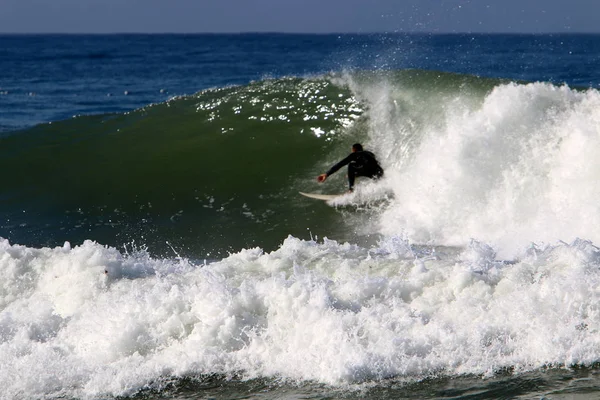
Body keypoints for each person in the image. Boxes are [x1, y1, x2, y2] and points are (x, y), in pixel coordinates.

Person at [317, 143, 383, 192]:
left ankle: (351, 190)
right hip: (378, 172)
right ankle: (381, 187)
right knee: (354, 174)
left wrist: (327, 174)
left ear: (354, 149)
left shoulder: (355, 154)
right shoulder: (370, 153)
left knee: (351, 165)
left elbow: (340, 164)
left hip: (368, 170)